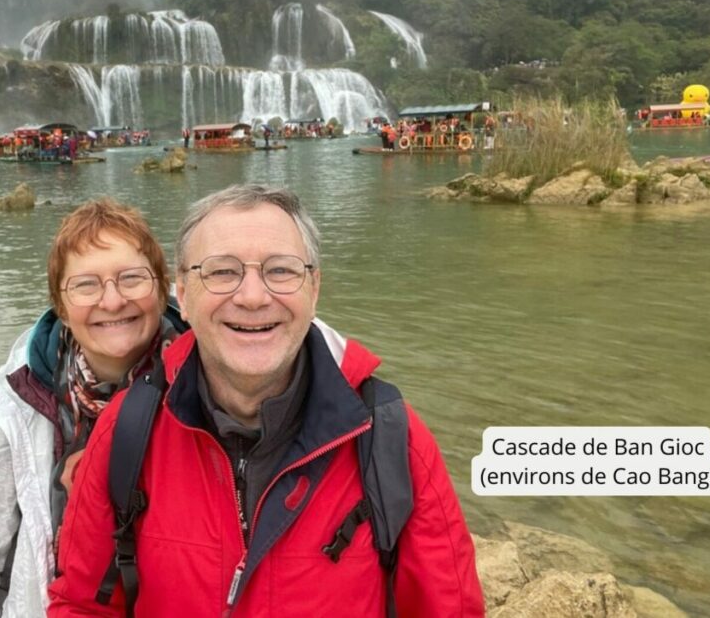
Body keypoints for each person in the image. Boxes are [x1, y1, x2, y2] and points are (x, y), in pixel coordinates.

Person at [48, 184, 484, 616]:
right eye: (221, 272)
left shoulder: (392, 437)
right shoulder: (128, 430)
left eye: (281, 270)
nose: (253, 297)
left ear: (314, 287)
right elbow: (84, 605)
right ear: (182, 290)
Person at [0, 199, 181, 617]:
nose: (111, 301)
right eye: (86, 285)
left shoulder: (212, 381)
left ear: (163, 289)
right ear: (61, 306)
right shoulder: (9, 408)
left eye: (132, 278)